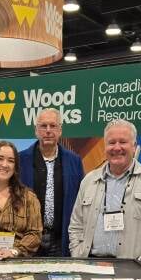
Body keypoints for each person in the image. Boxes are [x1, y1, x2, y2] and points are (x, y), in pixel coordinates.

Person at [68, 120, 141, 270]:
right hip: (90, 266)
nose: (117, 148)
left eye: (123, 142)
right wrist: (78, 254)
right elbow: (76, 225)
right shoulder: (89, 181)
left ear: (134, 146)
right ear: (105, 147)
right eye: (111, 143)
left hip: (133, 270)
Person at [19, 108, 84, 256]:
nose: (48, 130)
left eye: (53, 126)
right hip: (27, 241)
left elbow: (81, 202)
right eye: (43, 126)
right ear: (36, 130)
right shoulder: (20, 160)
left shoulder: (74, 161)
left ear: (60, 130)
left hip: (61, 241)